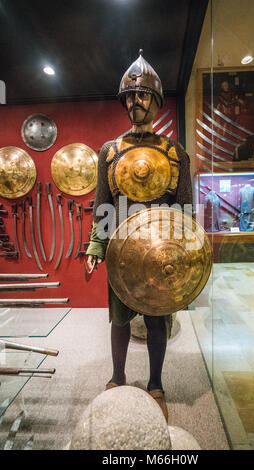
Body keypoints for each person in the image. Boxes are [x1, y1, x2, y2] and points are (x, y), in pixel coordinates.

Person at [86, 50, 193, 421]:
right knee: (119, 318)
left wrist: (187, 255)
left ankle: (156, 383)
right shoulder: (110, 152)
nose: (136, 101)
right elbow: (103, 205)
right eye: (130, 95)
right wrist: (96, 246)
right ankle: (117, 377)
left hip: (161, 250)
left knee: (156, 319)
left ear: (157, 101)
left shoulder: (175, 153)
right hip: (122, 250)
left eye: (143, 94)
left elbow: (185, 213)